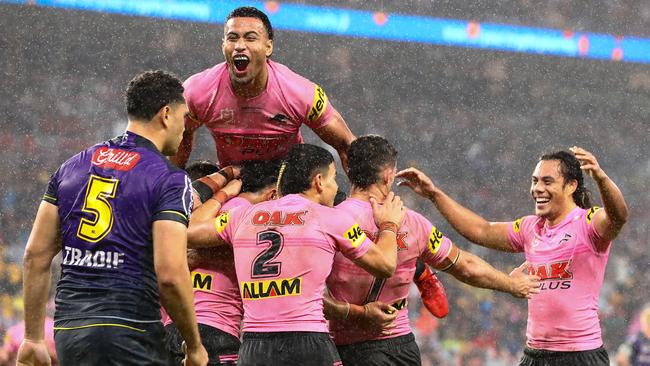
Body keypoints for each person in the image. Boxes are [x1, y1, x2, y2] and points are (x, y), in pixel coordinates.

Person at [17, 70, 208, 366]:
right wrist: (194, 346)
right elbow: (170, 274)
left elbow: (35, 255)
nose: (185, 129)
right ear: (166, 115)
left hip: (70, 329)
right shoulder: (169, 179)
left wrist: (32, 338)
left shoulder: (72, 167)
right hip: (129, 328)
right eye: (185, 118)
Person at [396, 147, 628, 366]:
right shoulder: (530, 227)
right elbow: (481, 231)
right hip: (535, 355)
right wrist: (434, 194)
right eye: (535, 181)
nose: (537, 188)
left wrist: (601, 178)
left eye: (547, 181)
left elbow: (618, 216)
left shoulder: (588, 223)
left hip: (581, 355)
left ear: (571, 186)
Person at [323, 135, 541, 365]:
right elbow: (465, 267)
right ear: (388, 175)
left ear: (348, 169)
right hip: (397, 348)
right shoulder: (414, 223)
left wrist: (351, 313)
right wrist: (511, 284)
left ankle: (421, 272)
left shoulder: (329, 221)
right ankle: (421, 271)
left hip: (340, 347)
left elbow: (308, 292)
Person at [187, 143, 405, 365]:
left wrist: (224, 193)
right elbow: (386, 265)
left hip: (255, 348)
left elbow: (188, 232)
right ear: (319, 182)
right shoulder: (331, 219)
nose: (335, 187)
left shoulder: (242, 216)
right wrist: (389, 224)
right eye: (333, 179)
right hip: (308, 342)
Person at [171, 6, 355, 170]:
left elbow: (348, 146)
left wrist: (363, 201)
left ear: (268, 47)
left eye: (250, 38)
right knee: (197, 178)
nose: (240, 46)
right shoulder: (197, 91)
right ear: (223, 45)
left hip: (287, 187)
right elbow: (181, 135)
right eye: (232, 38)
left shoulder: (301, 93)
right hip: (232, 183)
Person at [165, 160, 281, 366]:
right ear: (273, 194)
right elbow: (189, 232)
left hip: (173, 326)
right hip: (215, 329)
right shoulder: (247, 215)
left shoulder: (202, 208)